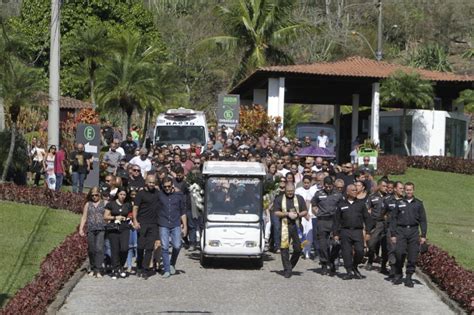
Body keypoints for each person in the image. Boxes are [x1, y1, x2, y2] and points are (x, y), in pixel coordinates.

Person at [390, 182, 427, 287]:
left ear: (413, 190)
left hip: (413, 231)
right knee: (399, 252)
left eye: (410, 190)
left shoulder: (418, 204)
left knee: (412, 255)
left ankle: (409, 277)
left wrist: (423, 235)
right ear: (404, 190)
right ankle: (398, 272)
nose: (408, 191)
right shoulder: (399, 203)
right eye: (406, 190)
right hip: (401, 231)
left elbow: (423, 220)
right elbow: (393, 219)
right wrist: (393, 234)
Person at [334, 184, 372, 280]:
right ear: (347, 192)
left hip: (357, 231)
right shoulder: (341, 204)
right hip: (345, 231)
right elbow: (336, 221)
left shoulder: (361, 204)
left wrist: (368, 232)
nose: (355, 192)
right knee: (346, 252)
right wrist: (335, 234)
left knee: (360, 251)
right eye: (353, 190)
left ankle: (355, 266)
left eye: (356, 190)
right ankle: (349, 271)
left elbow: (367, 219)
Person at [273, 182, 308, 278]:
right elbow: (276, 212)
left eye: (291, 191)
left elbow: (305, 211)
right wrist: (287, 214)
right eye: (288, 191)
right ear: (285, 190)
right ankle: (287, 269)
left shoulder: (299, 198)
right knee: (284, 248)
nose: (290, 193)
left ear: (294, 190)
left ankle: (290, 265)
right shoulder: (279, 199)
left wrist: (297, 215)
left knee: (299, 247)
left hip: (297, 225)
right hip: (285, 225)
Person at [311, 176, 343, 275]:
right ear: (323, 185)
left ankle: (332, 261)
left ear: (333, 185)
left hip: (334, 220)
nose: (328, 188)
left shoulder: (338, 194)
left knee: (336, 243)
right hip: (322, 220)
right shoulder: (319, 193)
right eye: (326, 186)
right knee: (323, 244)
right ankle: (324, 263)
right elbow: (313, 204)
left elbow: (342, 207)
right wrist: (317, 212)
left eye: (330, 186)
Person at [158, 177, 187, 278]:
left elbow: (182, 211)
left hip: (175, 223)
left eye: (169, 186)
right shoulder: (159, 194)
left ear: (172, 185)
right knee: (164, 247)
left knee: (177, 245)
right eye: (165, 187)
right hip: (163, 223)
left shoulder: (179, 195)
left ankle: (172, 263)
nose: (167, 188)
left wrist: (185, 226)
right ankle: (166, 269)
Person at [133, 175, 160, 279]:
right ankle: (139, 265)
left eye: (153, 183)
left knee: (149, 248)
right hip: (142, 223)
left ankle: (145, 269)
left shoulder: (157, 193)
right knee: (140, 247)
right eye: (150, 182)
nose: (151, 184)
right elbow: (135, 207)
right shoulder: (140, 194)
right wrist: (135, 221)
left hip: (153, 224)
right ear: (146, 182)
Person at [104, 187, 132, 279]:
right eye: (121, 194)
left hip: (125, 228)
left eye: (124, 195)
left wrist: (129, 217)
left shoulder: (128, 205)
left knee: (124, 248)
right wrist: (115, 218)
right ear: (117, 194)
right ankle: (115, 269)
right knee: (115, 249)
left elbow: (131, 214)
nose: (122, 196)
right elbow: (106, 216)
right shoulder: (111, 204)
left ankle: (121, 266)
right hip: (114, 228)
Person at [79, 187, 106, 278]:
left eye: (96, 195)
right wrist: (81, 229)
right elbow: (84, 217)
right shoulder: (88, 204)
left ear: (99, 194)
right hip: (90, 229)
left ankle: (98, 269)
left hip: (101, 228)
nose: (94, 197)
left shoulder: (104, 203)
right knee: (91, 249)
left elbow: (108, 215)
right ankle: (92, 267)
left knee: (99, 248)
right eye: (92, 195)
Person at [366, 178, 390, 274]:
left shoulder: (389, 197)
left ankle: (383, 266)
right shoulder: (372, 197)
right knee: (371, 243)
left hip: (386, 224)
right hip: (376, 223)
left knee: (385, 246)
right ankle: (371, 259)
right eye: (384, 186)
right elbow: (368, 209)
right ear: (379, 186)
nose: (386, 188)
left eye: (387, 187)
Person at [295, 175, 317, 259]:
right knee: (302, 233)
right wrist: (303, 214)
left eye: (308, 183)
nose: (306, 184)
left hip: (311, 215)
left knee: (310, 234)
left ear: (311, 183)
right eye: (305, 183)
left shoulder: (313, 190)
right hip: (301, 214)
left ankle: (308, 251)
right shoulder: (298, 191)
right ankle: (303, 249)